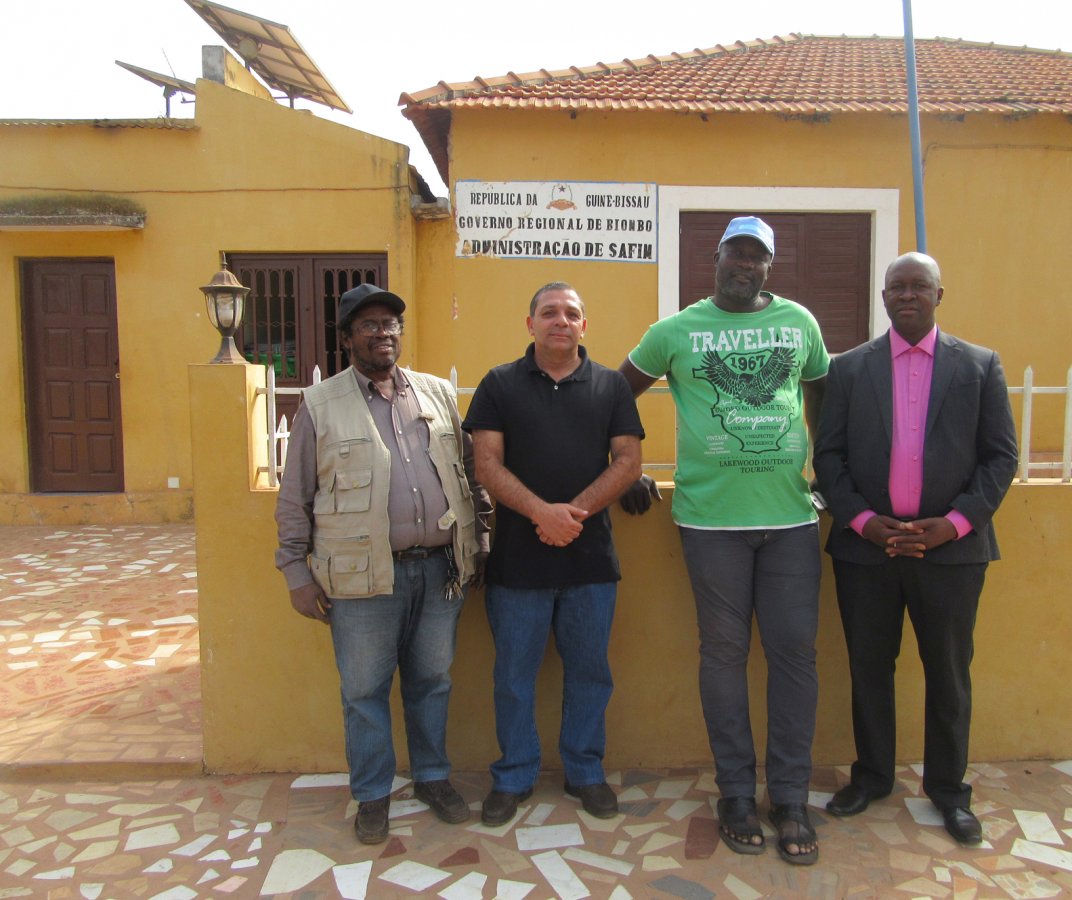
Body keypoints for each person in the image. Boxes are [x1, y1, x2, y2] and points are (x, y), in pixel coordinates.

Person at [619, 217, 828, 865]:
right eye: (736, 254)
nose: (746, 265)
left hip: (791, 522)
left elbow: (820, 397)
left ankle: (789, 796)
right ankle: (736, 793)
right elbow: (612, 395)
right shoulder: (675, 332)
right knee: (724, 655)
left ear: (769, 264)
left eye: (757, 257)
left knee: (795, 656)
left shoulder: (800, 324)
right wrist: (628, 466)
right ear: (715, 259)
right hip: (711, 525)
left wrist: (827, 475)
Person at [812, 251, 1018, 845]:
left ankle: (950, 791)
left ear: (938, 295)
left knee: (948, 674)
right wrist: (862, 522)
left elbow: (1001, 457)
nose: (907, 295)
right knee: (869, 669)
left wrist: (954, 523)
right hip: (867, 552)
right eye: (897, 286)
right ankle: (873, 776)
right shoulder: (849, 369)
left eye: (919, 286)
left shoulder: (978, 366)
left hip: (950, 553)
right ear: (883, 298)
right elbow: (829, 457)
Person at [275, 282, 491, 845]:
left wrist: (481, 542)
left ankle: (433, 778)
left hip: (441, 569)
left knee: (432, 681)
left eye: (390, 323)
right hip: (362, 576)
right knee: (364, 689)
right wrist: (296, 573)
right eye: (368, 324)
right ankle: (372, 793)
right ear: (347, 338)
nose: (383, 333)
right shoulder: (320, 406)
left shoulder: (437, 394)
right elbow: (294, 496)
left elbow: (469, 475)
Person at [464, 282, 644, 827]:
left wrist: (571, 516)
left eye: (570, 313)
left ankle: (586, 772)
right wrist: (542, 513)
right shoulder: (498, 384)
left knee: (590, 672)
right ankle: (513, 776)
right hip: (517, 565)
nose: (559, 321)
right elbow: (486, 464)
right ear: (531, 324)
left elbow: (628, 462)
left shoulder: (612, 386)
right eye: (549, 312)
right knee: (514, 676)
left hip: (590, 564)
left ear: (584, 325)